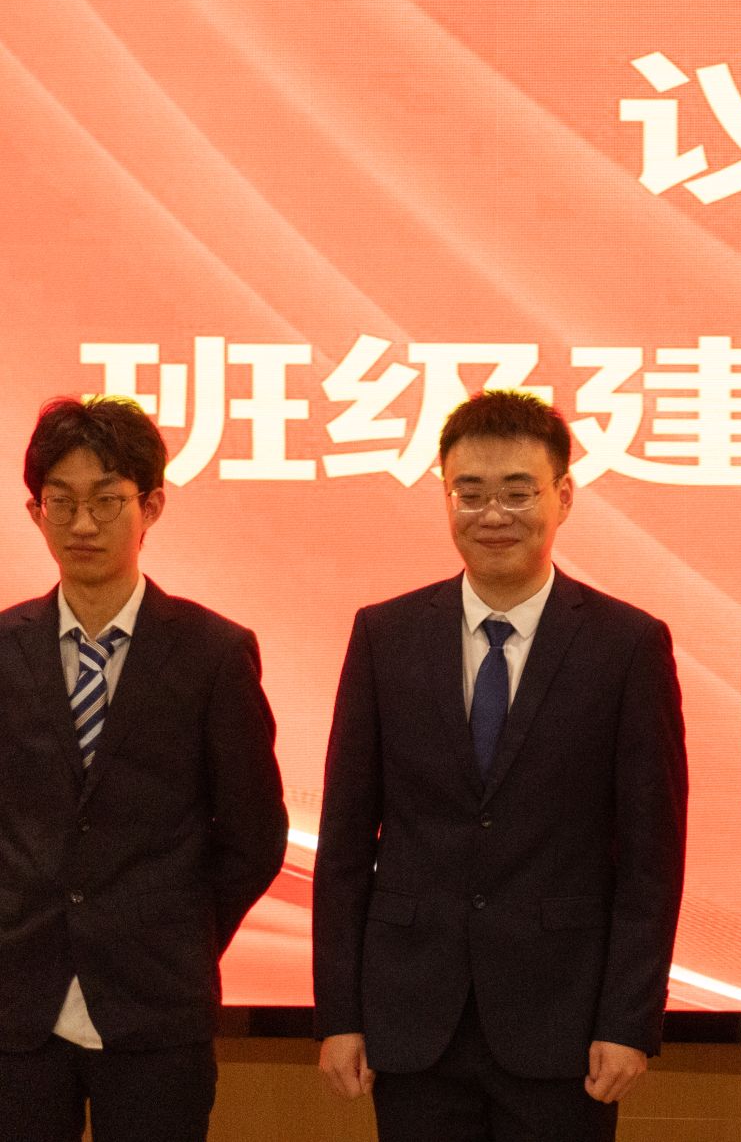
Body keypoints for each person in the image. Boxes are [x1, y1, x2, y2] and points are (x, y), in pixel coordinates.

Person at [313, 389, 686, 1142]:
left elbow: (652, 856)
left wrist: (628, 1020)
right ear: (445, 497)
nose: (493, 514)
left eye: (518, 492)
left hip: (564, 1021)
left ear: (564, 496)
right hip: (413, 1017)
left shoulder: (626, 645)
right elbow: (346, 842)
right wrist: (340, 1013)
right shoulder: (385, 635)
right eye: (470, 493)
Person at [0, 396, 287, 1142]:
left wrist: (181, 932)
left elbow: (254, 834)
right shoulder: (4, 648)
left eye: (106, 500)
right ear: (35, 513)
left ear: (150, 505)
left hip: (158, 1005)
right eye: (61, 502)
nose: (83, 524)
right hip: (16, 1004)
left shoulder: (213, 653)